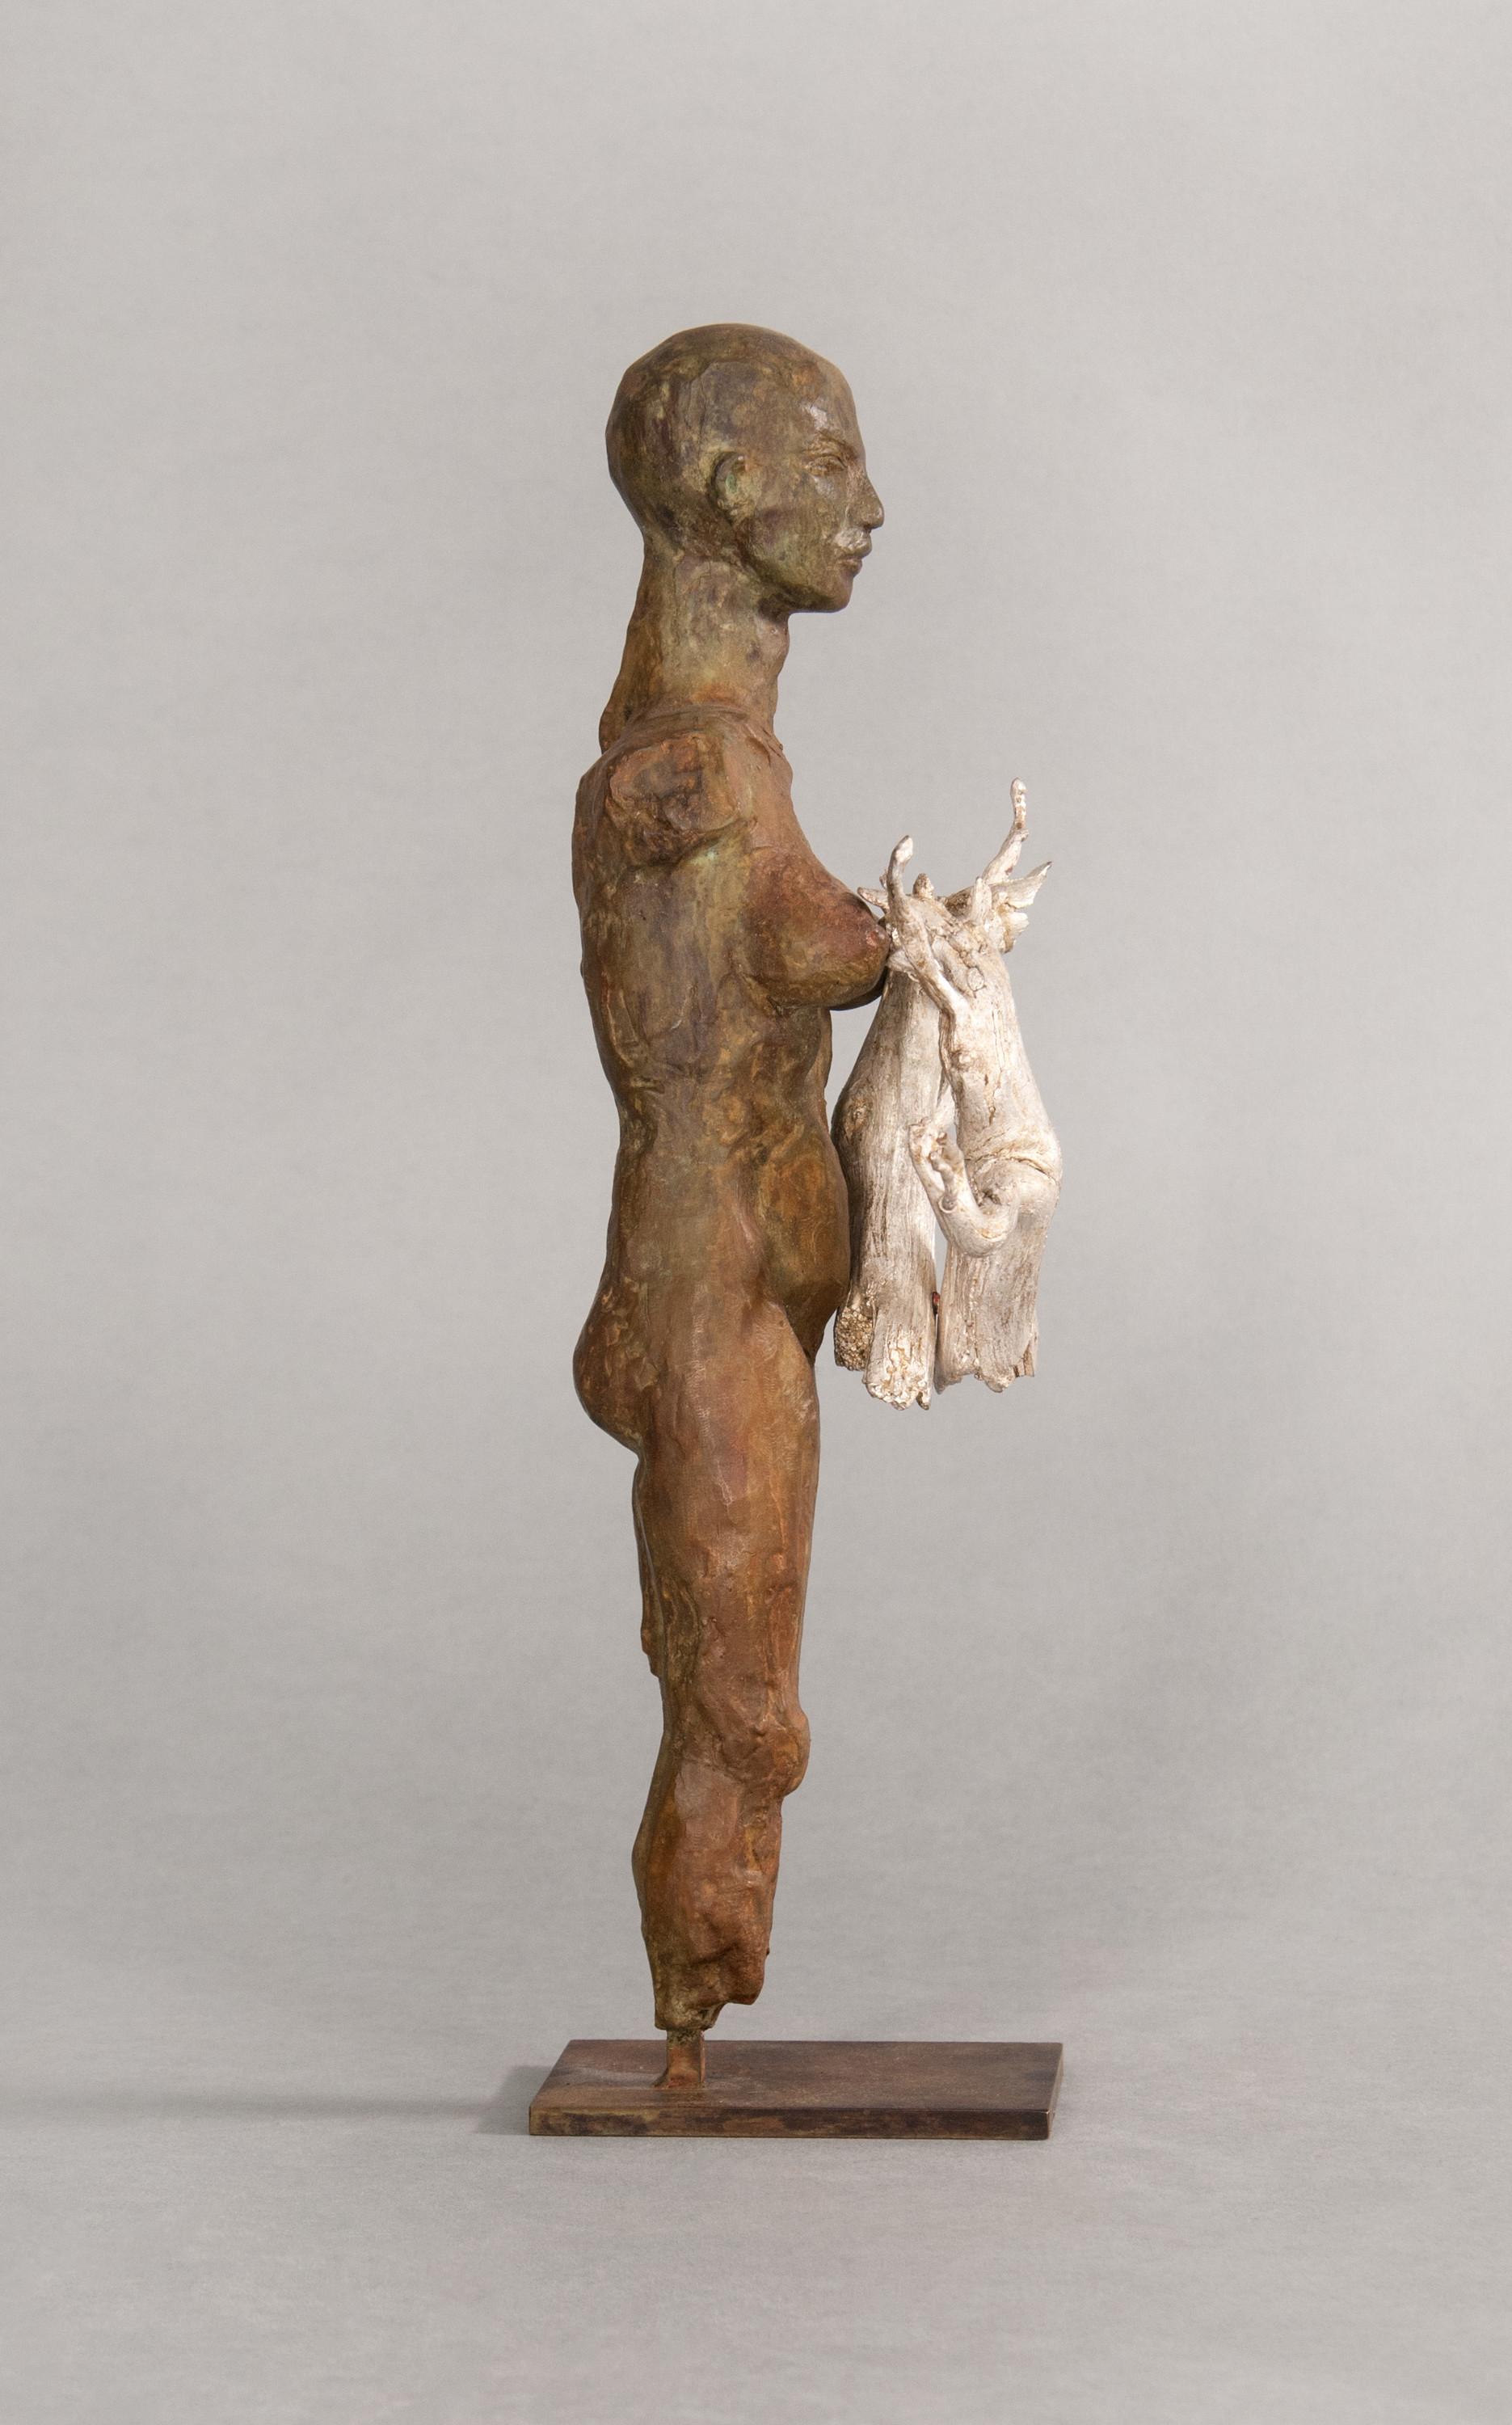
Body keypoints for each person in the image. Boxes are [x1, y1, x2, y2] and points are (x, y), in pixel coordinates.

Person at [572, 324, 887, 2081]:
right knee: (743, 1703)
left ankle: (704, 1973)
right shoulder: (686, 767)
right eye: (832, 466)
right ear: (728, 488)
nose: (868, 507)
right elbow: (795, 944)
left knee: (737, 1673)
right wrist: (910, 936)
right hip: (704, 1281)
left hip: (737, 1270)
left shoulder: (710, 756)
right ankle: (695, 1978)